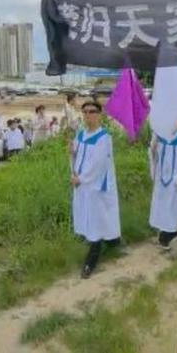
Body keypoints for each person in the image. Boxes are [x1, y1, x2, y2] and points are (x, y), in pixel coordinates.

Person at [70, 101, 122, 279]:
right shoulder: (81, 134)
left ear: (99, 114)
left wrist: (81, 179)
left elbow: (97, 165)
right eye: (85, 112)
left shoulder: (103, 137)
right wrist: (72, 153)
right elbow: (76, 157)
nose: (88, 115)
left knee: (97, 221)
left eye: (92, 112)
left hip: (96, 185)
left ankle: (90, 261)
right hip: (82, 185)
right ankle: (113, 241)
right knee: (92, 217)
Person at [149, 122, 177, 251]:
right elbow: (154, 156)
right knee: (162, 205)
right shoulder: (160, 135)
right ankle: (163, 231)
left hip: (175, 179)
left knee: (174, 205)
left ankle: (172, 233)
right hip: (162, 178)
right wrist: (153, 149)